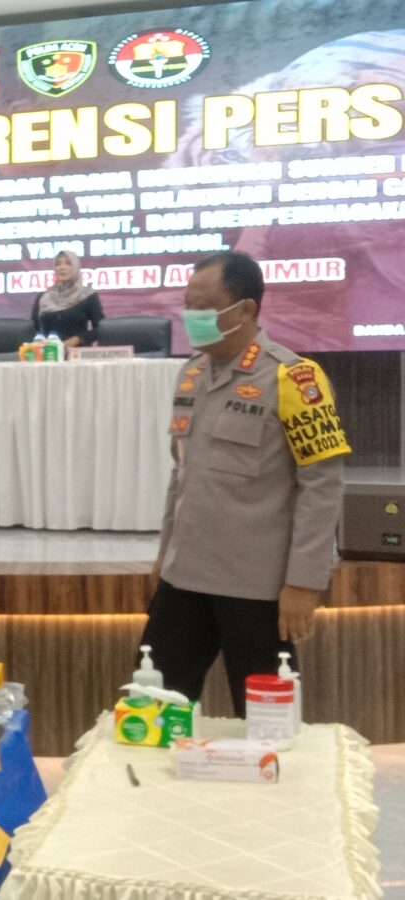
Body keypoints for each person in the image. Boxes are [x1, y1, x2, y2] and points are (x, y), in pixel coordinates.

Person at [139, 251, 351, 716]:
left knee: (265, 723)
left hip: (258, 589)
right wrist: (164, 555)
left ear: (246, 310)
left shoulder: (295, 378)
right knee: (153, 712)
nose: (192, 317)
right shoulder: (191, 374)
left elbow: (321, 487)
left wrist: (304, 582)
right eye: (187, 306)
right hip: (184, 578)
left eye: (204, 308)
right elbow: (182, 474)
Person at [29, 250, 104, 346]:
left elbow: (101, 329)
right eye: (58, 264)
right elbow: (32, 329)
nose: (62, 268)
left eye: (68, 263)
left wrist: (77, 339)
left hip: (77, 352)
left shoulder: (87, 295)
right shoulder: (44, 297)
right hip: (49, 352)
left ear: (76, 267)